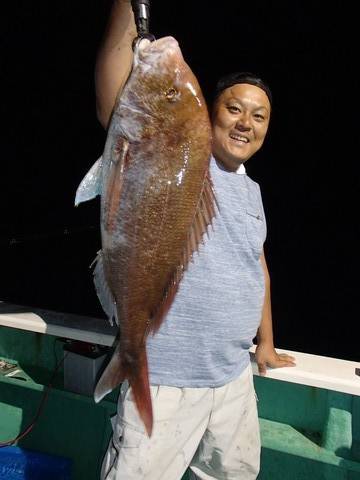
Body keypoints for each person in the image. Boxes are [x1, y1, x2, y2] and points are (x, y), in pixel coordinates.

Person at [95, 1, 296, 479]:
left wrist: (265, 343)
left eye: (259, 116)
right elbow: (111, 100)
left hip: (232, 379)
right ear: (209, 116)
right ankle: (130, 355)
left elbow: (256, 266)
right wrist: (127, 10)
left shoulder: (253, 192)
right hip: (167, 378)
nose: (246, 122)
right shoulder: (181, 157)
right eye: (234, 109)